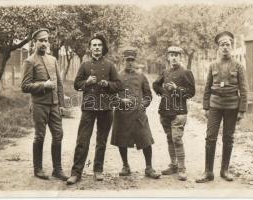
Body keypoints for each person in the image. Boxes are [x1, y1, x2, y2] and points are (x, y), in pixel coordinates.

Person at [67, 34, 122, 185]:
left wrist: (108, 85)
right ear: (90, 48)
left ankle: (98, 169)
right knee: (82, 140)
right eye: (94, 45)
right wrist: (87, 82)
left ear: (103, 48)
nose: (97, 47)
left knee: (101, 141)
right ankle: (76, 172)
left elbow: (118, 85)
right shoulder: (84, 65)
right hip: (89, 107)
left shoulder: (110, 65)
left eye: (99, 45)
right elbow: (77, 84)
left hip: (106, 107)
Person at [196, 31, 248, 183]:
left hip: (232, 106)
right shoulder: (213, 65)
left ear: (232, 46)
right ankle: (208, 172)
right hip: (215, 105)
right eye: (222, 45)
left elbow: (244, 89)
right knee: (210, 137)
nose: (225, 47)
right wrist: (205, 107)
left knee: (228, 138)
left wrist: (242, 110)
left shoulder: (238, 66)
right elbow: (207, 88)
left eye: (228, 44)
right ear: (218, 48)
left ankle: (224, 170)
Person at [21, 28, 68, 181]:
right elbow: (25, 86)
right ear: (35, 42)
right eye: (41, 40)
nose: (44, 43)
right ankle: (38, 169)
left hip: (54, 105)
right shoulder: (29, 61)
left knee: (58, 134)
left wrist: (61, 104)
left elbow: (60, 84)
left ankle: (57, 169)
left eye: (46, 40)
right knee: (40, 136)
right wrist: (43, 85)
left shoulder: (53, 60)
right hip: (39, 104)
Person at [111, 47, 160, 179]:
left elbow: (148, 95)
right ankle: (125, 165)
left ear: (135, 61)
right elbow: (111, 95)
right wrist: (120, 101)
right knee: (122, 140)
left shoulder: (141, 76)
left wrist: (143, 105)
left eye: (132, 60)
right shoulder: (117, 76)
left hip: (138, 114)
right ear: (123, 60)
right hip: (122, 114)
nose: (130, 63)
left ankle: (149, 167)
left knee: (146, 139)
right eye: (128, 60)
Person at [153, 45, 195, 181]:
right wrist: (163, 91)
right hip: (165, 110)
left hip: (179, 111)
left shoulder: (186, 72)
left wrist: (177, 89)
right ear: (168, 57)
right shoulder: (165, 72)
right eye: (171, 55)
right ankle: (173, 165)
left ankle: (182, 169)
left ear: (180, 57)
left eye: (176, 55)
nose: (174, 57)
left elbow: (191, 92)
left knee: (176, 138)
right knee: (169, 138)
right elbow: (155, 84)